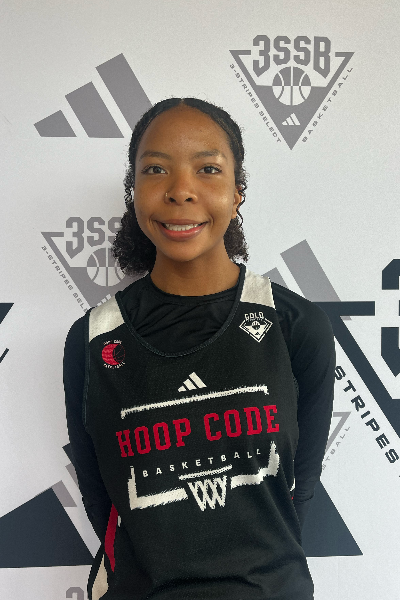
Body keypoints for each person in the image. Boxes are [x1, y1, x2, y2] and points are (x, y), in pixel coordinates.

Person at [63, 97, 336, 600]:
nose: (180, 190)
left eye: (207, 169)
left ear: (237, 191)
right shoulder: (94, 339)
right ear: (133, 190)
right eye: (155, 169)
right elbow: (104, 502)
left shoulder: (296, 326)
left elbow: (299, 488)